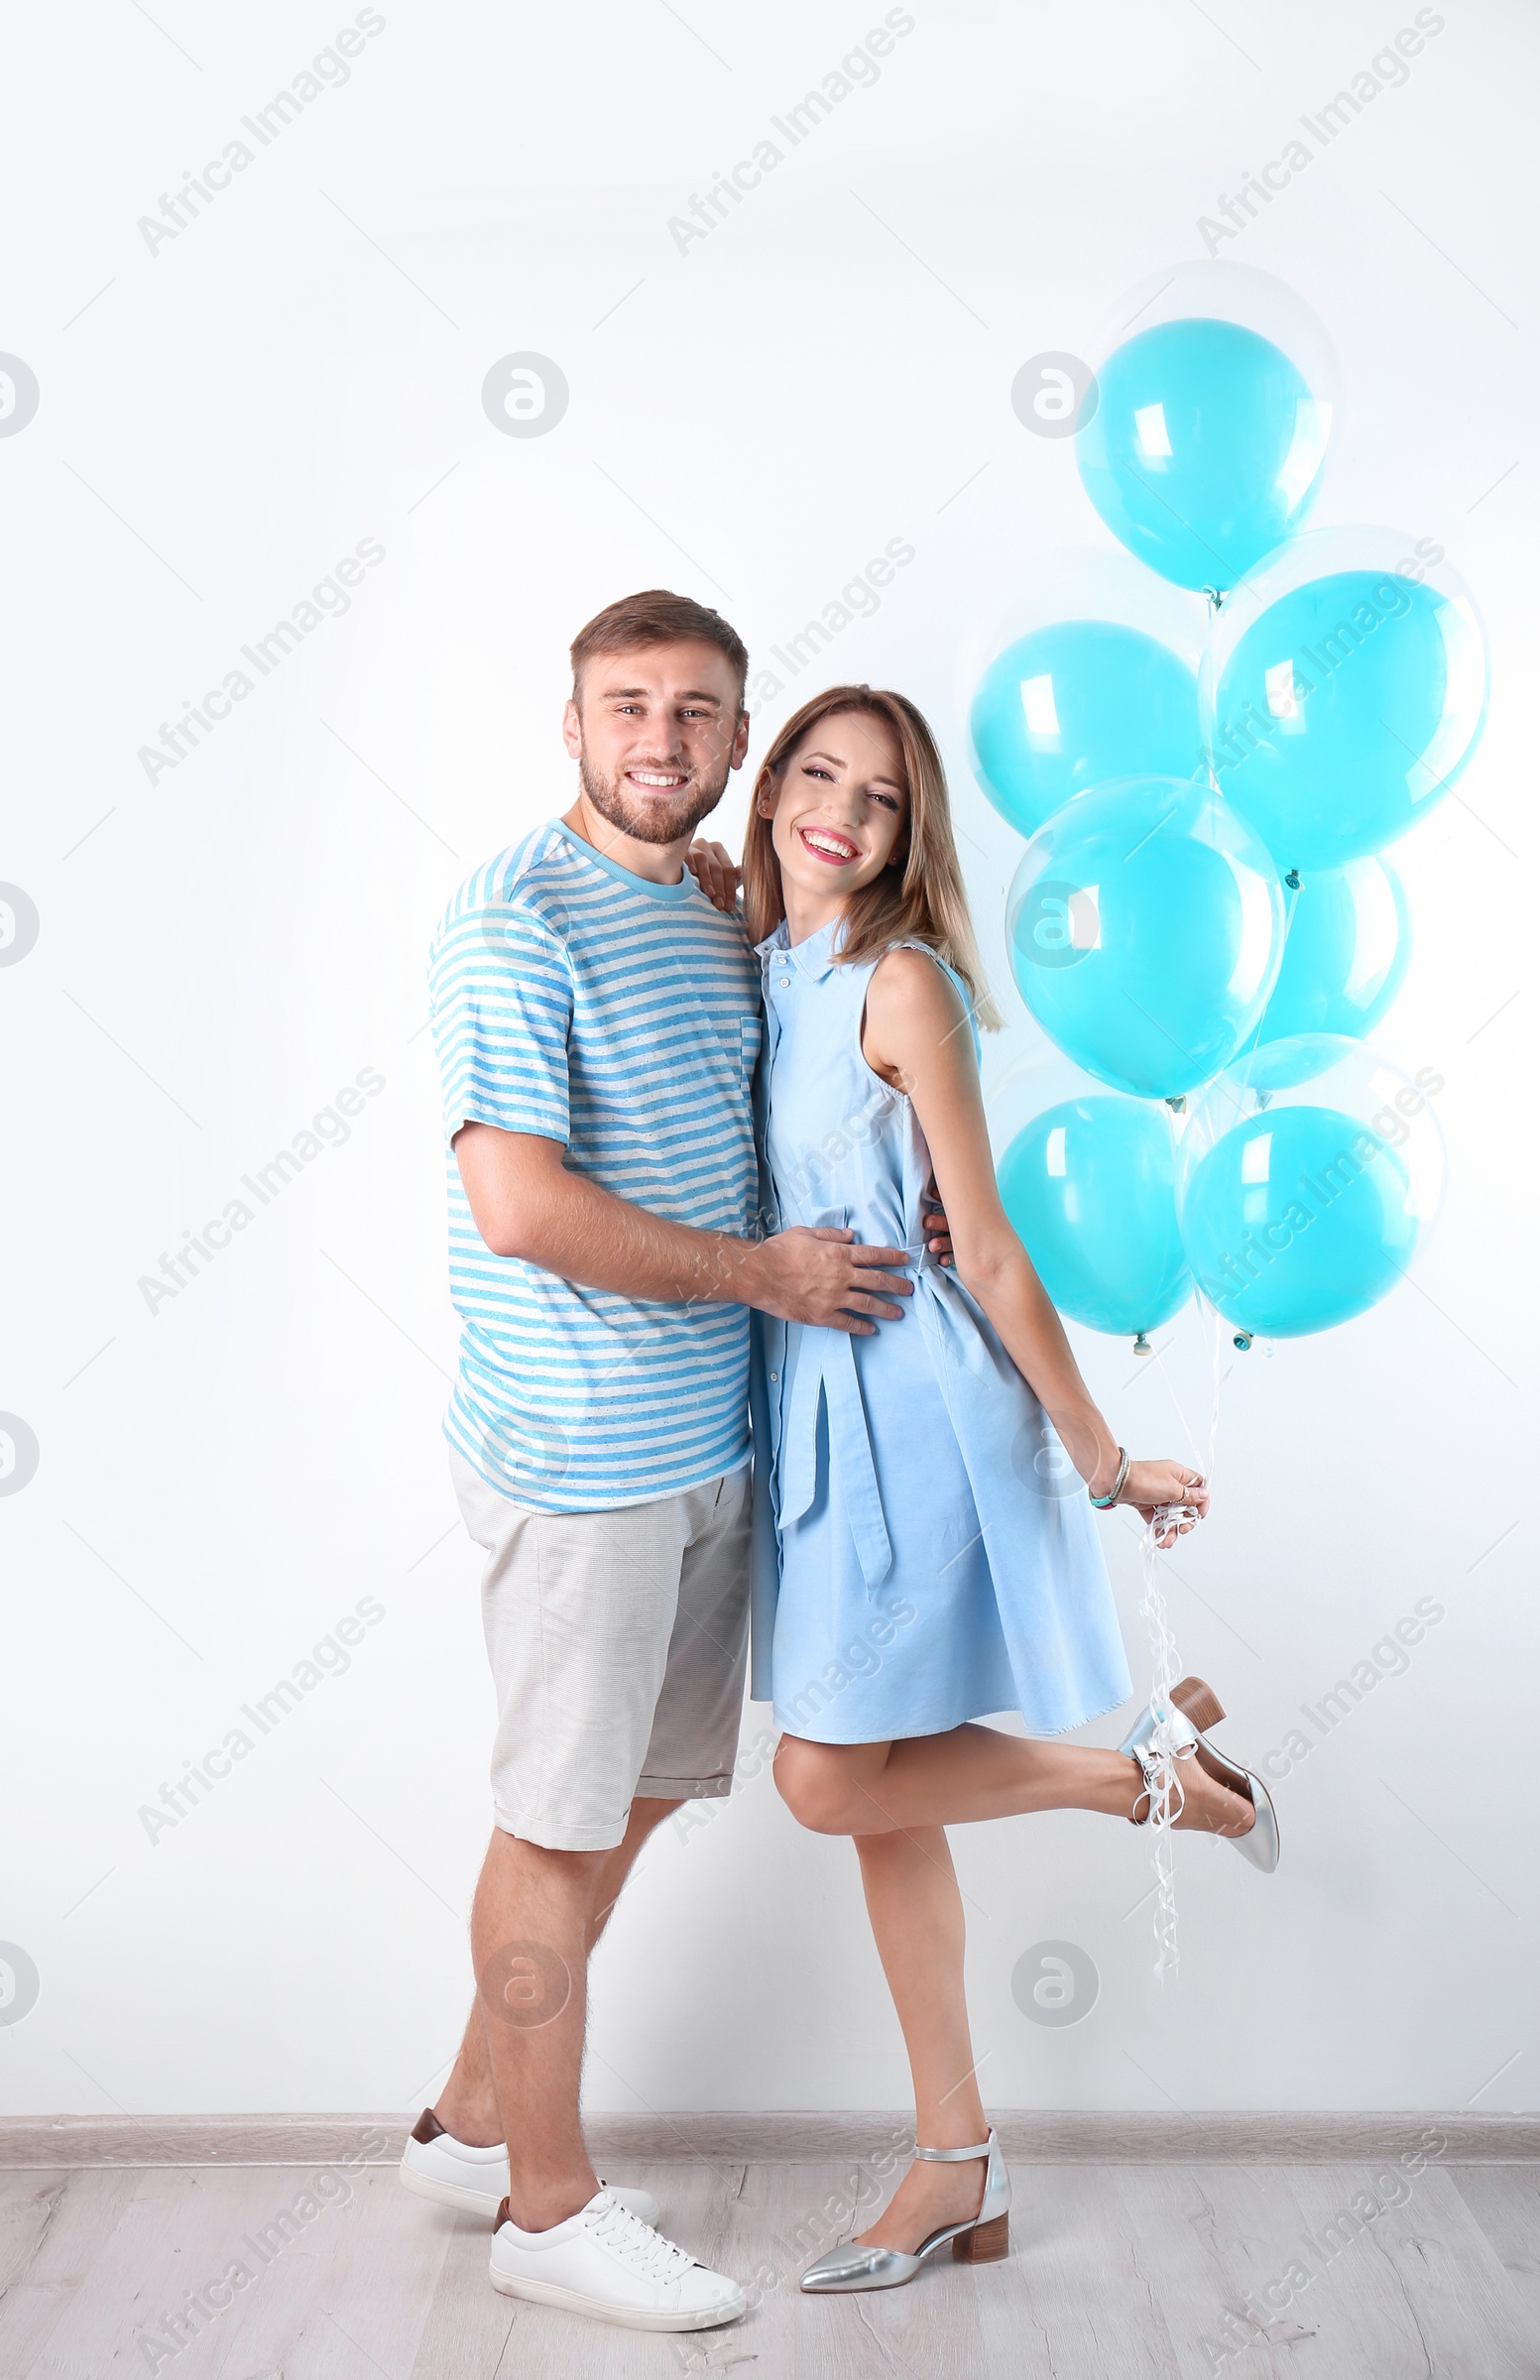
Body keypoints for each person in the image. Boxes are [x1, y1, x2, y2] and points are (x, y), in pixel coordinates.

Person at [406, 594, 946, 2334]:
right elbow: (520, 1204)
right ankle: (545, 2213)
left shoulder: (716, 909)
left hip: (713, 1445)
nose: (663, 741)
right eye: (627, 707)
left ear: (741, 747)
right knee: (555, 1819)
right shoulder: (516, 916)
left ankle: (473, 2117)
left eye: (700, 712)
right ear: (570, 727)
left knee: (632, 1797)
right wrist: (767, 1274)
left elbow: (794, 1077)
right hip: (583, 1463)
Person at [741, 683, 1279, 2297]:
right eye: (819, 774)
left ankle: (1153, 1783)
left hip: (918, 1425)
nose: (843, 809)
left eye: (883, 798)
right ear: (770, 789)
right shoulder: (757, 959)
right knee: (882, 1815)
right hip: (814, 1431)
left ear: (913, 840)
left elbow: (983, 1247)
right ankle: (954, 2165)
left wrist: (1107, 1463)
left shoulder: (903, 989)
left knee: (827, 1779)